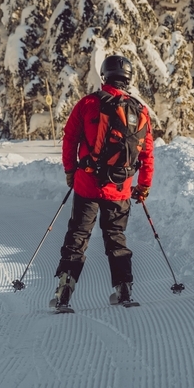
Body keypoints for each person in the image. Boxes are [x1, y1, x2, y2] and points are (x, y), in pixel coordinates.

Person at [52, 54, 154, 310]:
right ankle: (124, 289)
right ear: (128, 79)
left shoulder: (87, 103)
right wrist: (143, 185)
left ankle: (64, 292)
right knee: (116, 236)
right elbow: (147, 152)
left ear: (104, 75)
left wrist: (70, 170)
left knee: (78, 235)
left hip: (87, 184)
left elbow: (69, 138)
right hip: (120, 188)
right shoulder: (140, 110)